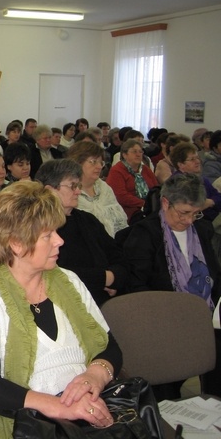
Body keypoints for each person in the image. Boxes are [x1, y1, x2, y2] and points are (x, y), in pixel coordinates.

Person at [0, 181, 122, 436]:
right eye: (48, 235)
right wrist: (62, 407)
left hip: (92, 405)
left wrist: (95, 376)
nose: (60, 241)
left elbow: (109, 347)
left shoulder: (69, 281)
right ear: (16, 244)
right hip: (33, 426)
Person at [124, 173, 221, 399]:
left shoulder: (202, 230)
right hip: (163, 321)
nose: (189, 221)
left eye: (195, 213)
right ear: (166, 203)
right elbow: (136, 286)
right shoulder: (145, 234)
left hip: (204, 316)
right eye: (183, 213)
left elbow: (215, 276)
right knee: (166, 386)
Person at [36, 160, 130, 306]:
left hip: (105, 301)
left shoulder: (88, 220)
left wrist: (113, 278)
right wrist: (104, 278)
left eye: (78, 186)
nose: (78, 191)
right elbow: (54, 273)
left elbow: (119, 258)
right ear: (50, 190)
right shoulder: (41, 227)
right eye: (72, 186)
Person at [66, 141, 128, 237]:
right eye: (93, 162)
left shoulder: (104, 188)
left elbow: (121, 222)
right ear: (77, 162)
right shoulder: (68, 191)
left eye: (101, 162)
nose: (99, 167)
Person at [106, 138, 159, 223]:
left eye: (140, 152)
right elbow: (120, 196)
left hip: (149, 207)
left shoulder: (145, 169)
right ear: (124, 155)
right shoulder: (117, 170)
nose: (138, 154)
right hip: (128, 210)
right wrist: (144, 204)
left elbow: (156, 188)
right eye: (134, 152)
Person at [171, 141, 221, 221]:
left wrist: (210, 202)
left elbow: (218, 196)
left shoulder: (202, 179)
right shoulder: (177, 183)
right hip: (196, 222)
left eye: (197, 158)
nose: (198, 161)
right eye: (192, 159)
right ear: (180, 165)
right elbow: (193, 207)